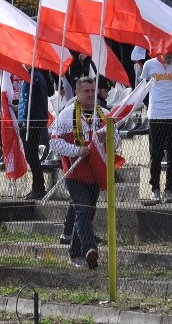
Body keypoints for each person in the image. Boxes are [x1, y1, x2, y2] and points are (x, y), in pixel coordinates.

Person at [50, 76, 118, 269]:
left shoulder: (104, 114)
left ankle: (74, 253)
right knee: (82, 211)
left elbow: (118, 140)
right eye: (85, 91)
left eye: (92, 91)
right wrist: (76, 150)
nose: (90, 94)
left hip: (96, 171)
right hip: (75, 172)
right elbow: (54, 141)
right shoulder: (66, 115)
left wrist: (107, 140)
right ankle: (90, 249)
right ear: (77, 94)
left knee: (89, 212)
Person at [140, 52, 172, 204]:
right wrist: (152, 107)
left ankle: (169, 189)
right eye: (167, 54)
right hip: (156, 115)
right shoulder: (149, 65)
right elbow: (144, 88)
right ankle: (155, 188)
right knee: (156, 153)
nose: (170, 57)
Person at [18, 66, 50, 201]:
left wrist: (25, 119)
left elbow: (28, 99)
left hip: (32, 120)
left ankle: (38, 188)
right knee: (31, 155)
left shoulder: (33, 76)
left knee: (31, 155)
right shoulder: (39, 74)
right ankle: (37, 187)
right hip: (36, 119)